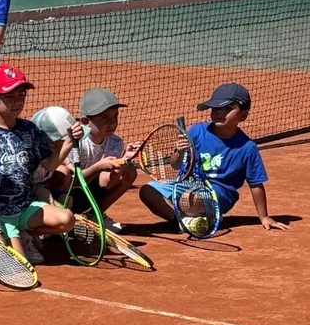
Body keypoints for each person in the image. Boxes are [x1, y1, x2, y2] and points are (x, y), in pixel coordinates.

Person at [139, 81, 286, 232]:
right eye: (216, 108)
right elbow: (175, 165)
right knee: (147, 191)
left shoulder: (247, 148)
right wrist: (180, 151)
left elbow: (255, 184)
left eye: (228, 108)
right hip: (188, 185)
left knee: (188, 199)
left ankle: (207, 213)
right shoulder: (196, 131)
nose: (219, 113)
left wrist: (264, 216)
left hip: (220, 193)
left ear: (243, 115)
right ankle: (177, 221)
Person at [0, 64, 74, 264]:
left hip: (25, 207)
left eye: (21, 95)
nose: (17, 102)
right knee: (18, 264)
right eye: (9, 97)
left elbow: (50, 165)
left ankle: (25, 233)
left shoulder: (29, 129)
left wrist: (70, 141)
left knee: (67, 219)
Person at [68, 87, 138, 222]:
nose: (112, 122)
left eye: (115, 116)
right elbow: (72, 182)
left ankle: (95, 216)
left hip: (91, 191)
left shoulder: (115, 142)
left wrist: (124, 160)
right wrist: (98, 167)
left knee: (130, 170)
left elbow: (106, 183)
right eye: (104, 118)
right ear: (85, 121)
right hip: (68, 194)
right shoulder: (76, 142)